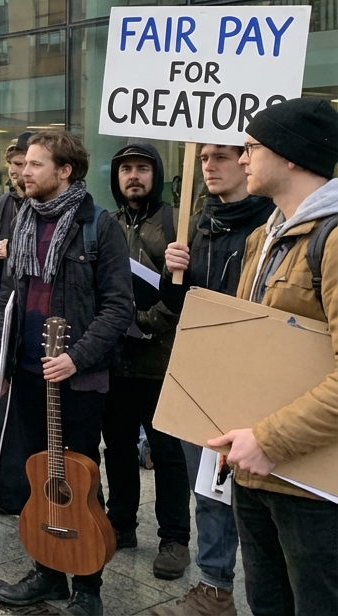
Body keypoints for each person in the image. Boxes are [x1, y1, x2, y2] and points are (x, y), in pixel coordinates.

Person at [0, 131, 134, 616]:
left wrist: (78, 355)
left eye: (34, 164)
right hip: (28, 373)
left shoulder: (98, 226)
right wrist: (0, 362)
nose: (23, 172)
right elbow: (8, 300)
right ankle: (48, 571)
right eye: (23, 164)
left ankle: (88, 586)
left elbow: (119, 308)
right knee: (39, 477)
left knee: (79, 475)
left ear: (64, 171)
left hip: (78, 379)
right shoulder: (23, 219)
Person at [205, 98, 338, 616]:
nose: (241, 160)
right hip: (255, 469)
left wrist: (269, 438)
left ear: (291, 157)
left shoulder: (331, 238)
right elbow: (250, 347)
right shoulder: (265, 236)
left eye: (252, 148)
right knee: (268, 602)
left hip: (311, 484)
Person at [152, 144, 273, 616]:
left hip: (250, 373)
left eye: (221, 157)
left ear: (246, 163)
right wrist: (172, 272)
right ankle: (215, 587)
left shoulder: (269, 226)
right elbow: (179, 306)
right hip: (199, 371)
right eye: (204, 158)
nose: (210, 166)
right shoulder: (199, 222)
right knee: (209, 486)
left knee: (256, 498)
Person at [102, 143, 191, 579]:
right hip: (117, 359)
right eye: (125, 170)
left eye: (141, 168)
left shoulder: (177, 221)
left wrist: (147, 321)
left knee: (167, 452)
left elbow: (186, 288)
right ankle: (121, 525)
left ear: (155, 173)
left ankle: (175, 538)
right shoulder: (108, 223)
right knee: (117, 447)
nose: (133, 176)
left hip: (160, 359)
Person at [0, 133, 31, 264]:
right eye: (11, 164)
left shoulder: (49, 206)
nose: (12, 171)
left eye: (19, 164)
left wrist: (12, 248)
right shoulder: (0, 205)